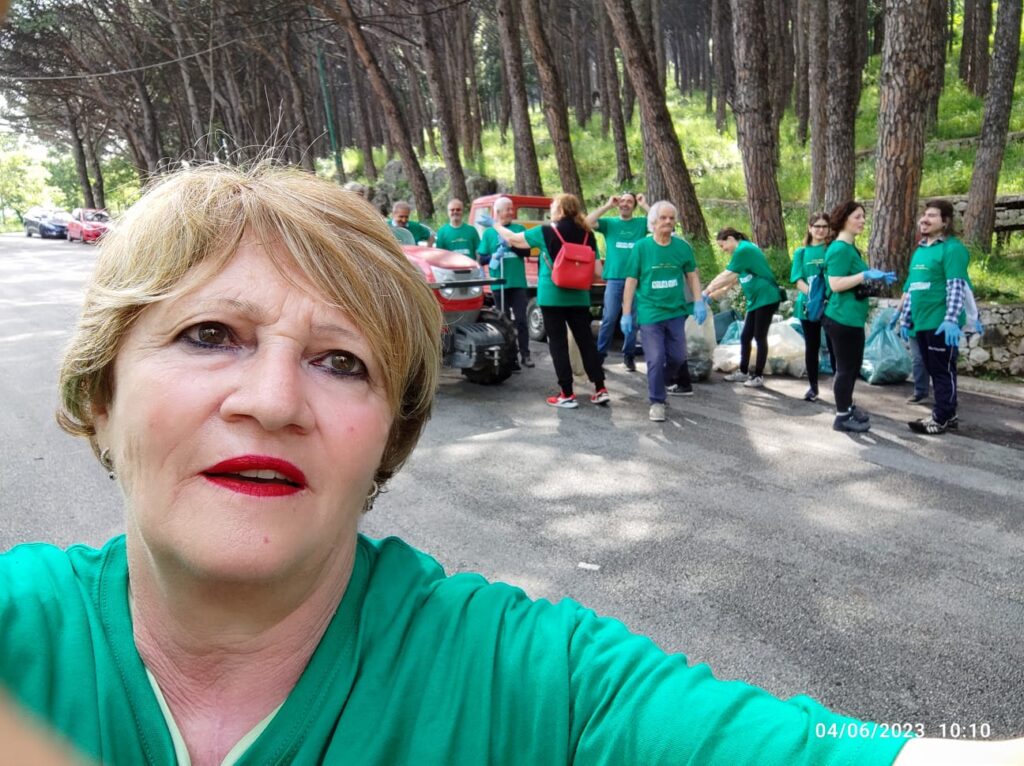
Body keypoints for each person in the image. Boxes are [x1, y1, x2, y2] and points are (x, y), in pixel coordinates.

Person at [3, 165, 1022, 766]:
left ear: (388, 438)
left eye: (340, 361)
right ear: (100, 389)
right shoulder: (22, 636)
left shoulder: (534, 683)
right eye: (209, 334)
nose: (272, 399)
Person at [493, 193, 609, 408]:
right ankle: (600, 388)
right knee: (586, 342)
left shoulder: (546, 231)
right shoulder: (587, 234)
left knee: (558, 344)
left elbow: (514, 240)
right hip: (579, 297)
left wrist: (497, 226)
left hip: (552, 296)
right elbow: (597, 271)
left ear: (560, 210)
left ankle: (566, 394)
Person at [621, 201, 707, 422]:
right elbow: (631, 281)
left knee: (678, 358)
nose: (668, 222)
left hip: (676, 312)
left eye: (671, 218)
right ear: (653, 222)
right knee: (656, 358)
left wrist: (698, 301)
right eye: (663, 218)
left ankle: (662, 382)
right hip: (650, 313)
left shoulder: (682, 247)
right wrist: (626, 312)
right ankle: (657, 401)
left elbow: (692, 275)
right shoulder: (642, 247)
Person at [897, 200, 972, 435]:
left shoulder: (953, 249)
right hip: (921, 322)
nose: (925, 219)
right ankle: (948, 414)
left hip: (940, 323)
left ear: (945, 222)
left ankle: (940, 417)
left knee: (942, 371)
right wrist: (904, 318)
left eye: (932, 216)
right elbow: (913, 288)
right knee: (934, 368)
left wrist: (950, 319)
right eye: (924, 215)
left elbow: (956, 287)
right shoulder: (921, 251)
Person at [821, 201, 897, 433]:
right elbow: (835, 284)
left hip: (850, 317)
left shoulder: (849, 248)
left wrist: (875, 279)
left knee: (851, 368)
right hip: (842, 318)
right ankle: (842, 417)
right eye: (858, 216)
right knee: (846, 369)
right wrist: (865, 274)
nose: (863, 221)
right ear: (844, 219)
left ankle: (847, 406)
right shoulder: (840, 249)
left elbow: (852, 282)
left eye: (863, 216)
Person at [701, 228, 781, 389]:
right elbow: (728, 284)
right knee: (745, 336)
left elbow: (725, 276)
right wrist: (710, 298)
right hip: (756, 301)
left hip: (767, 297)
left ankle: (758, 376)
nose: (723, 251)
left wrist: (706, 290)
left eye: (723, 246)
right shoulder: (742, 256)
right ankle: (744, 371)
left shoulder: (744, 250)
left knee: (759, 336)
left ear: (730, 239)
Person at [585, 191, 650, 371]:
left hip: (636, 279)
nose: (625, 204)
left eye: (629, 201)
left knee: (633, 320)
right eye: (622, 201)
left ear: (633, 206)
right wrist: (607, 205)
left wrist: (644, 204)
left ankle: (629, 356)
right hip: (614, 278)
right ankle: (600, 355)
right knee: (609, 318)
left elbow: (659, 223)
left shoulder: (640, 223)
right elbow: (588, 222)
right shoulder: (610, 224)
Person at [477, 196, 534, 369]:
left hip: (517, 283)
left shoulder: (519, 229)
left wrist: (512, 245)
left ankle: (525, 354)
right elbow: (481, 258)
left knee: (522, 321)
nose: (511, 212)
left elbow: (527, 253)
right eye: (508, 209)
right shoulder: (488, 233)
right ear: (498, 212)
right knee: (504, 322)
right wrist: (493, 256)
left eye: (512, 208)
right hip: (499, 283)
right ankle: (511, 357)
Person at [790, 212, 836, 402]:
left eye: (824, 226)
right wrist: (814, 295)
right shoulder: (801, 252)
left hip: (831, 305)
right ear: (809, 228)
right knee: (812, 346)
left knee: (835, 347)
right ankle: (813, 388)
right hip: (808, 306)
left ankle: (840, 389)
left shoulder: (832, 249)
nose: (820, 230)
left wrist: (825, 296)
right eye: (816, 226)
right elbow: (797, 279)